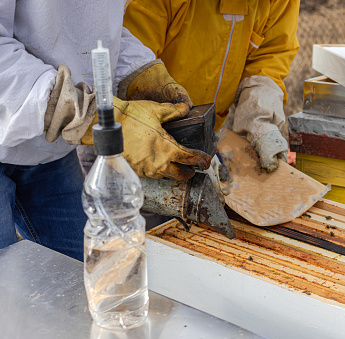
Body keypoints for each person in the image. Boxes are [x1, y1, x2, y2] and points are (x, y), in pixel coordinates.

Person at [0, 1, 209, 260]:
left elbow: (92, 29)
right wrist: (82, 111)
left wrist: (136, 71)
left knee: (82, 272)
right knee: (4, 284)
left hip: (50, 149)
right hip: (22, 114)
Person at [123, 0, 300, 173]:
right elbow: (131, 68)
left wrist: (261, 122)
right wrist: (148, 131)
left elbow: (269, 59)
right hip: (145, 132)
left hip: (209, 133)